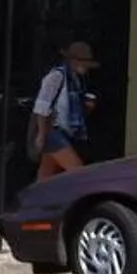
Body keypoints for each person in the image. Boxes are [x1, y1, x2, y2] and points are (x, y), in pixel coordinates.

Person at [28, 39, 101, 180]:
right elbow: (42, 107)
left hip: (62, 132)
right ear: (72, 61)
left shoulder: (77, 82)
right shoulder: (56, 77)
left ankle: (37, 200)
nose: (86, 67)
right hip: (52, 132)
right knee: (78, 173)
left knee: (46, 176)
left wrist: (87, 107)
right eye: (83, 62)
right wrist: (42, 135)